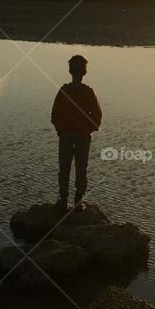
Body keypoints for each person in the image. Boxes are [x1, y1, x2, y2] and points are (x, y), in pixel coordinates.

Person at [50, 54, 102, 211]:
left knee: (64, 168)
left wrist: (61, 130)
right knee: (81, 169)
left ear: (70, 70)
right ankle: (78, 202)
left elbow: (54, 115)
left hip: (67, 135)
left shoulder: (64, 90)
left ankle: (64, 200)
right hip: (81, 136)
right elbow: (97, 116)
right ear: (84, 72)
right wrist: (88, 130)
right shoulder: (88, 92)